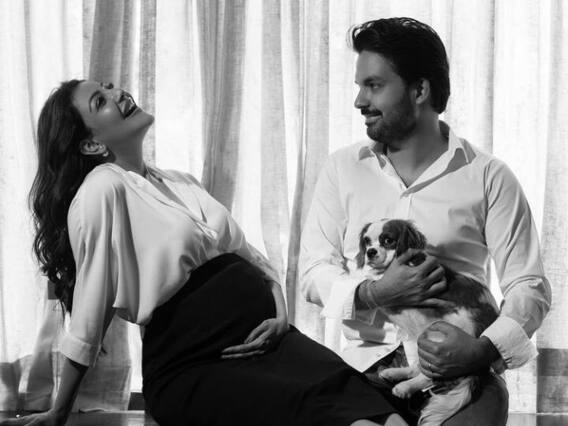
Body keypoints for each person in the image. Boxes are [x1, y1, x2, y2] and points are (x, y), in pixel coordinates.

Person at [1, 80, 408, 426]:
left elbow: (253, 259)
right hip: (196, 360)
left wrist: (280, 316)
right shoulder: (102, 189)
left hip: (271, 341)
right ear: (91, 143)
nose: (117, 93)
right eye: (100, 100)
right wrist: (59, 410)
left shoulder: (182, 181)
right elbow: (91, 309)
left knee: (379, 410)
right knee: (328, 414)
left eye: (109, 86)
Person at [300, 17, 551, 425]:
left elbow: (529, 285)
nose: (360, 101)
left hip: (464, 367)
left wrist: (484, 349)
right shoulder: (342, 169)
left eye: (374, 85)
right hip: (365, 369)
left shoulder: (488, 175)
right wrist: (374, 293)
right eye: (359, 86)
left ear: (420, 90)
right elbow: (314, 271)